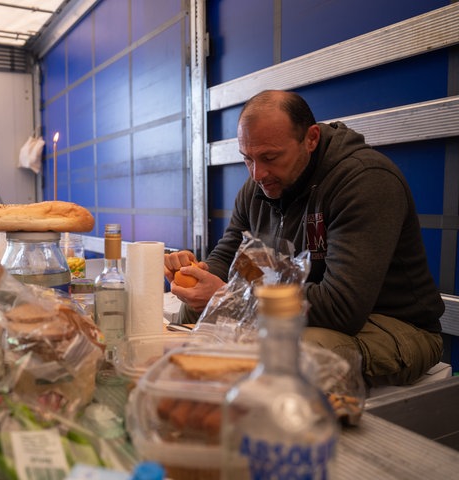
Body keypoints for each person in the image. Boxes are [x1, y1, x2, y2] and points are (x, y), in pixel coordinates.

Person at [164, 89, 444, 387]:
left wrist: (230, 298)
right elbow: (226, 256)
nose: (258, 173)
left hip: (392, 324)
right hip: (296, 313)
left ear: (310, 138)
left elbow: (342, 308)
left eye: (270, 157)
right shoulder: (259, 186)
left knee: (295, 351)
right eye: (248, 159)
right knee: (191, 309)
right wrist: (197, 273)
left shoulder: (364, 181)